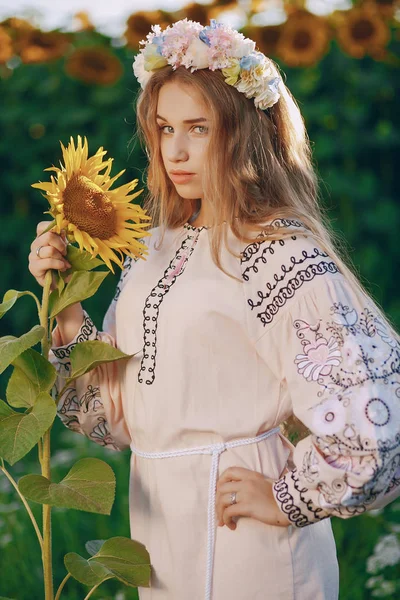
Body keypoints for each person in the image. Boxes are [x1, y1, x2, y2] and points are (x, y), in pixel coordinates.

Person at [28, 18, 400, 600]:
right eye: (164, 128)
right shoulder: (154, 250)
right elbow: (118, 417)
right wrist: (67, 308)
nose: (174, 151)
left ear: (244, 131)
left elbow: (373, 426)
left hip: (246, 539)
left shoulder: (280, 254)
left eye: (198, 128)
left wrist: (286, 496)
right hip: (157, 531)